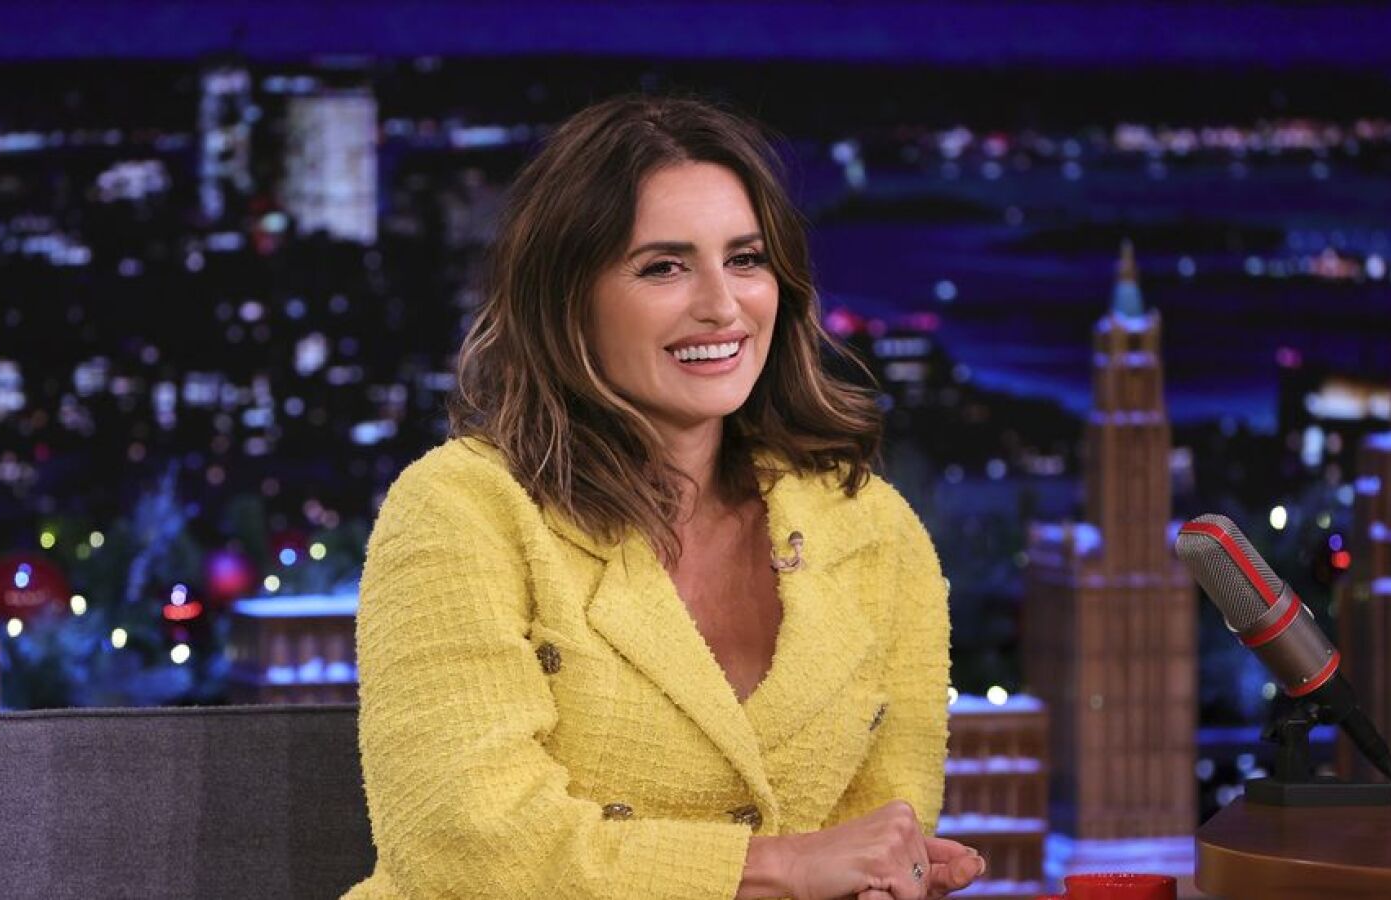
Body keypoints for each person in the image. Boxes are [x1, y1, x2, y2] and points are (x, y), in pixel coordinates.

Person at [346, 94, 982, 900]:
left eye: (745, 259)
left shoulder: (872, 530)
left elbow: (878, 841)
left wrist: (888, 878)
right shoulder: (461, 509)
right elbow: (466, 846)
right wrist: (781, 868)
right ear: (567, 298)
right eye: (664, 267)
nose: (722, 305)